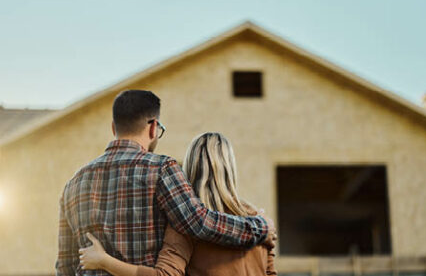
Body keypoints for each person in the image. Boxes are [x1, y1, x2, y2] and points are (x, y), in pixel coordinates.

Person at [55, 90, 274, 276]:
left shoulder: (72, 185)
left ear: (114, 128)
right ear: (153, 128)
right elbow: (199, 222)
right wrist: (259, 227)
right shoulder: (161, 169)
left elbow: (65, 267)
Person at [79, 132, 277, 276]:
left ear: (189, 167)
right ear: (230, 169)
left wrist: (104, 261)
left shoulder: (185, 222)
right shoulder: (260, 222)